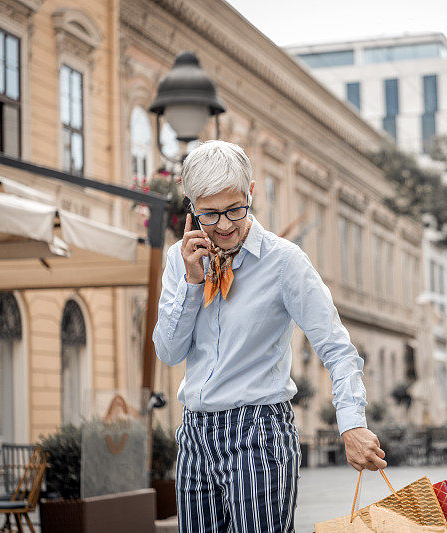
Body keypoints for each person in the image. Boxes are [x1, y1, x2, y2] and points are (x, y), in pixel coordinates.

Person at [152, 140, 386, 532]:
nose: (224, 225)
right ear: (191, 206)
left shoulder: (284, 261)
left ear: (251, 193)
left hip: (258, 429)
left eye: (235, 208)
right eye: (209, 214)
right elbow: (169, 351)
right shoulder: (180, 261)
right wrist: (192, 283)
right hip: (194, 434)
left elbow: (336, 347)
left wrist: (352, 422)